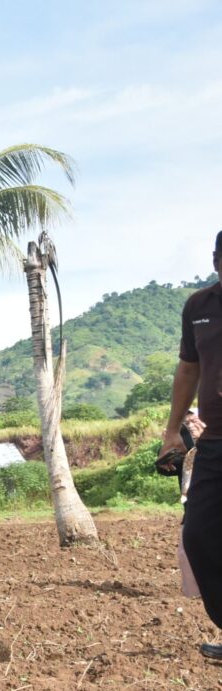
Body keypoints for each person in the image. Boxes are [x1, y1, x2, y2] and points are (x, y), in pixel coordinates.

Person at [162, 229, 222, 662]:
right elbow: (187, 371)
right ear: (217, 261)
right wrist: (171, 431)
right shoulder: (199, 307)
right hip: (216, 441)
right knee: (199, 535)